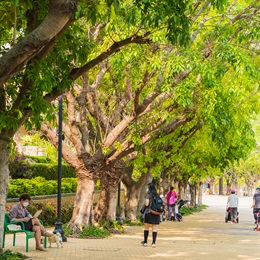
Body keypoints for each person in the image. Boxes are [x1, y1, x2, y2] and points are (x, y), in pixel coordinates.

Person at [141, 183, 160, 248]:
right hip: (156, 213)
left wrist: (143, 208)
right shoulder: (157, 195)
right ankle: (153, 243)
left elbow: (147, 204)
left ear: (149, 188)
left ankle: (145, 242)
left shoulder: (148, 195)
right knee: (154, 228)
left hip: (149, 212)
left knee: (146, 227)